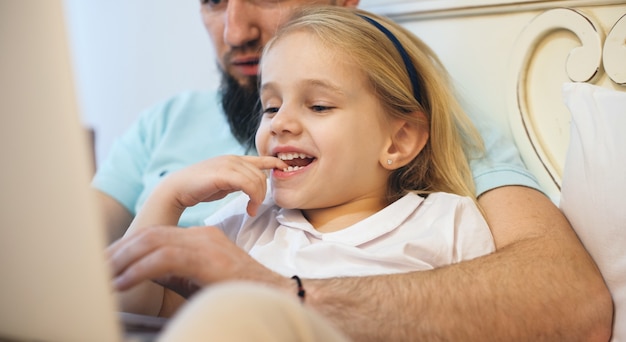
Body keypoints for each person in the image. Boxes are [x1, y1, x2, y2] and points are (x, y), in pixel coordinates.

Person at [96, 1, 612, 341]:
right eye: (270, 107)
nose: (281, 125)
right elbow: (134, 299)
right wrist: (167, 200)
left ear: (400, 140)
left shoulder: (448, 222)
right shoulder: (247, 221)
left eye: (318, 106)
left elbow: (538, 306)